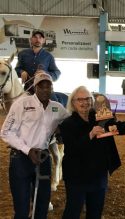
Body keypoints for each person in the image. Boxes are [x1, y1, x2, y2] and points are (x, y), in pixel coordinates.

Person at [59, 86, 125, 219]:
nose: (85, 102)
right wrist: (90, 135)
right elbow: (72, 149)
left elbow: (116, 127)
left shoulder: (100, 118)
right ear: (73, 102)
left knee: (95, 213)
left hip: (98, 176)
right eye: (80, 99)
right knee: (72, 212)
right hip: (76, 177)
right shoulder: (67, 124)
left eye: (87, 99)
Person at [0, 73, 69, 219]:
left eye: (48, 86)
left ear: (52, 88)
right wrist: (28, 150)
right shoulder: (21, 104)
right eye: (41, 86)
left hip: (43, 159)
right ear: (35, 88)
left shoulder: (57, 108)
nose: (44, 89)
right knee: (22, 208)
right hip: (21, 159)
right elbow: (6, 132)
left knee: (42, 204)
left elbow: (71, 123)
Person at [15, 29, 61, 95]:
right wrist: (21, 72)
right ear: (31, 39)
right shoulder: (22, 54)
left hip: (45, 91)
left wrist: (45, 74)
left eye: (40, 37)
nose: (38, 39)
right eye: (35, 37)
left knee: (55, 103)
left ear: (44, 40)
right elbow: (16, 70)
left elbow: (57, 73)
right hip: (27, 91)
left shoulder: (49, 56)